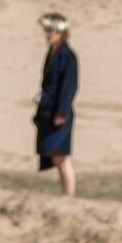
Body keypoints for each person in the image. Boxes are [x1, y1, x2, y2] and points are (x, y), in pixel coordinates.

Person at [35, 12, 77, 197]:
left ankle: (69, 195)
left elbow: (69, 87)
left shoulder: (67, 56)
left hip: (60, 113)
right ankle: (66, 194)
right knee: (55, 156)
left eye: (51, 31)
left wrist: (61, 112)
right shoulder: (53, 53)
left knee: (61, 156)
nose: (48, 34)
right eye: (46, 31)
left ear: (62, 32)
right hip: (49, 111)